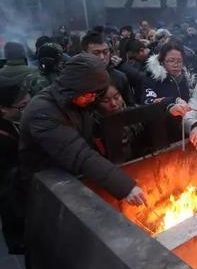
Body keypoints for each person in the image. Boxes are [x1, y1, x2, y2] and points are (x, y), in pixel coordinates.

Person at [18, 54, 146, 224]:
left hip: (72, 176)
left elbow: (114, 116)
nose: (93, 99)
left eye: (96, 94)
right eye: (90, 94)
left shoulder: (79, 100)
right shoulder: (43, 112)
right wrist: (125, 187)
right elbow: (78, 153)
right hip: (47, 185)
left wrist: (167, 105)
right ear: (75, 87)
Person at [0, 81, 30, 253]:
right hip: (13, 199)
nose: (26, 110)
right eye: (22, 107)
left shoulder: (10, 123)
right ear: (4, 109)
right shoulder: (3, 140)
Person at [81, 31, 135, 106]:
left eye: (105, 52)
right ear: (84, 54)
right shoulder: (79, 79)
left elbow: (130, 106)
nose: (102, 57)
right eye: (96, 53)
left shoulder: (119, 77)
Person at [142, 41, 192, 116]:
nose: (176, 65)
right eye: (171, 61)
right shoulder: (152, 79)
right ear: (162, 62)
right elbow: (148, 103)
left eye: (179, 61)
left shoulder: (185, 79)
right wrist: (173, 100)